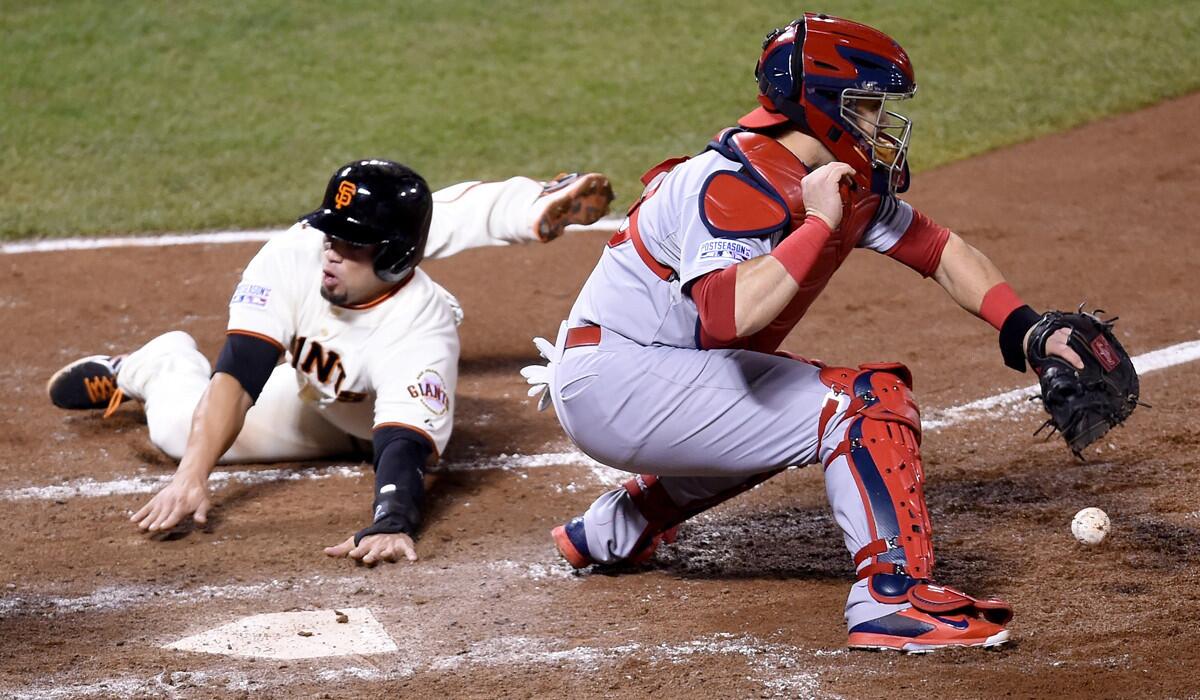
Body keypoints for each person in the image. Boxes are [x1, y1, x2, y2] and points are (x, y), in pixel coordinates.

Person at [521, 13, 1084, 652]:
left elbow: (938, 249)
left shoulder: (838, 179)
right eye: (868, 106)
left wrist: (1028, 328)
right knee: (864, 403)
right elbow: (728, 316)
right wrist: (818, 223)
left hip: (655, 374)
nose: (880, 123)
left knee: (779, 406)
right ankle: (891, 599)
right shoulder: (733, 184)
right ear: (822, 107)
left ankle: (617, 525)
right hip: (618, 381)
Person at [46, 160, 613, 565]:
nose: (331, 251)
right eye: (330, 235)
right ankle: (156, 363)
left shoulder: (421, 325)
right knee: (177, 432)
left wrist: (392, 521)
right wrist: (192, 478)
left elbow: (402, 443)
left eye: (352, 244)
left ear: (390, 258)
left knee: (379, 427)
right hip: (313, 388)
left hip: (362, 413)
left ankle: (528, 200)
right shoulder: (298, 252)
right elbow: (240, 374)